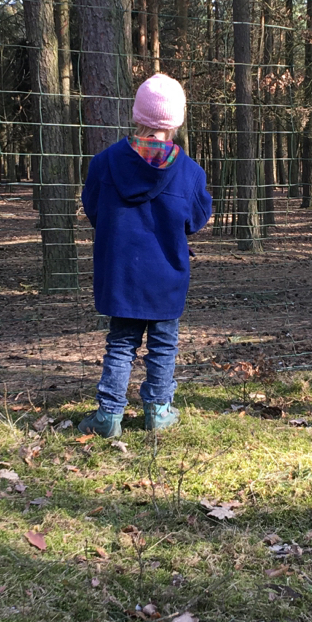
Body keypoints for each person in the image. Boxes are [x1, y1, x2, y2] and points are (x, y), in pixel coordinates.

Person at [78, 74, 213, 437]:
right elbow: (196, 219)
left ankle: (109, 415)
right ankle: (158, 410)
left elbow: (94, 209)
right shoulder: (189, 172)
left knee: (121, 343)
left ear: (137, 114)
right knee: (163, 344)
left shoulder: (104, 163)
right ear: (176, 121)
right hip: (166, 273)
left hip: (120, 271)